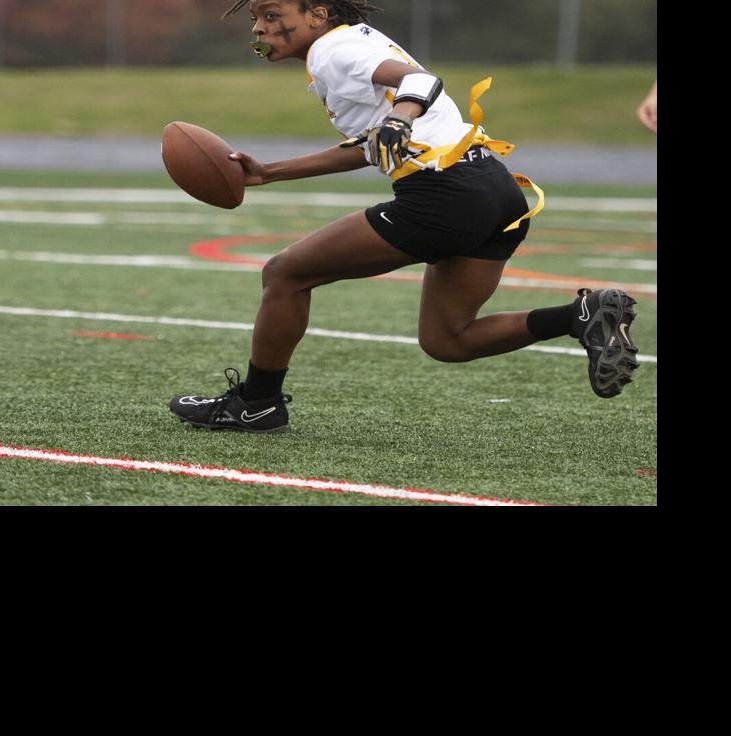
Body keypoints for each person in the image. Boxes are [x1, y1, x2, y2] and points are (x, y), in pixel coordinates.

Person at [170, 0, 639, 432]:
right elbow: (372, 146)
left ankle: (257, 404)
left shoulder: (333, 50)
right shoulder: (349, 44)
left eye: (272, 14)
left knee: (285, 274)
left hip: (445, 193)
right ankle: (579, 315)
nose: (258, 27)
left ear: (317, 14)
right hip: (494, 186)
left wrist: (401, 117)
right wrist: (271, 172)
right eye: (255, 18)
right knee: (448, 340)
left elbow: (422, 81)